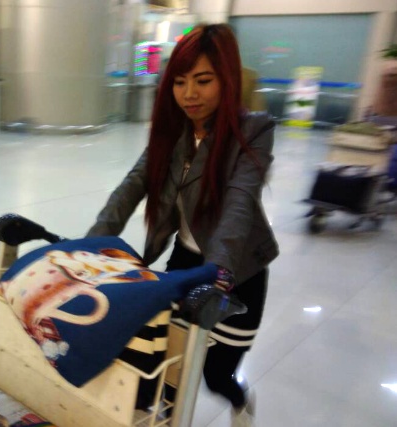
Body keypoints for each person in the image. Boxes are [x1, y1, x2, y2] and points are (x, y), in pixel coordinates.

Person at [86, 23, 279, 427]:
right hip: (185, 263)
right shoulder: (174, 133)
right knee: (168, 371)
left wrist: (218, 275)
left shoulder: (254, 131)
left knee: (215, 376)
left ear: (226, 79)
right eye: (179, 82)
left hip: (238, 271)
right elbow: (133, 184)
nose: (189, 93)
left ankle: (242, 401)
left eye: (203, 81)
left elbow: (240, 203)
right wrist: (90, 246)